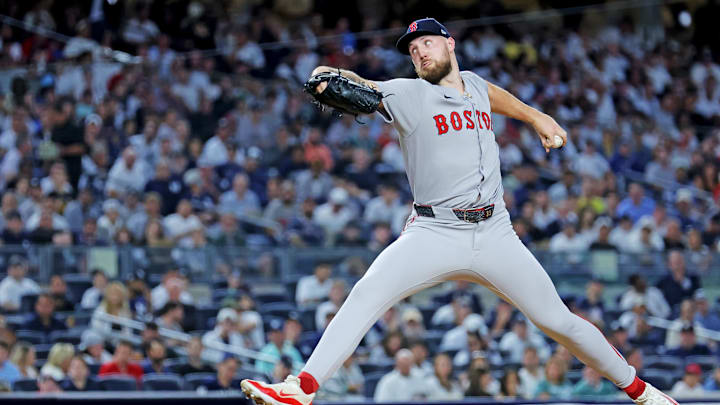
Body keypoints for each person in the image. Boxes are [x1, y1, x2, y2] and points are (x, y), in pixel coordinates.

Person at [240, 17, 676, 405]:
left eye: (425, 43)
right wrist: (323, 76)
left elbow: (492, 95)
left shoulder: (476, 84)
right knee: (368, 291)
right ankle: (302, 388)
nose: (418, 52)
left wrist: (534, 116)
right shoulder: (410, 94)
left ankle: (644, 393)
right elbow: (362, 86)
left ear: (449, 44)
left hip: (496, 233)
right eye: (412, 51)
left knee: (558, 320)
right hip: (434, 231)